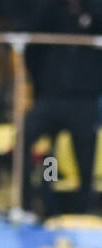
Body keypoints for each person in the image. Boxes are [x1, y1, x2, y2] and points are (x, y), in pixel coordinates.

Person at [19, 0, 102, 217]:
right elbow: (32, 45)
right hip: (50, 98)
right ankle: (42, 202)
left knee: (85, 157)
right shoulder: (50, 12)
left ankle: (84, 208)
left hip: (83, 100)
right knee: (45, 150)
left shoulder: (93, 12)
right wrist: (41, 82)